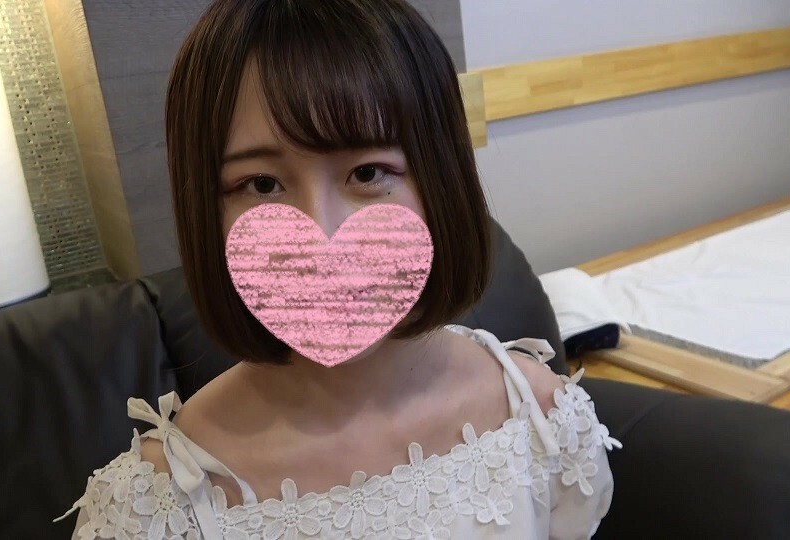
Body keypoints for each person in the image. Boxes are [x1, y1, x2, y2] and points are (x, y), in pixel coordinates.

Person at [55, 1, 620, 538]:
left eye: (368, 173)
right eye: (261, 184)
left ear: (441, 183)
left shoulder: (539, 414)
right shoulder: (157, 502)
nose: (321, 233)